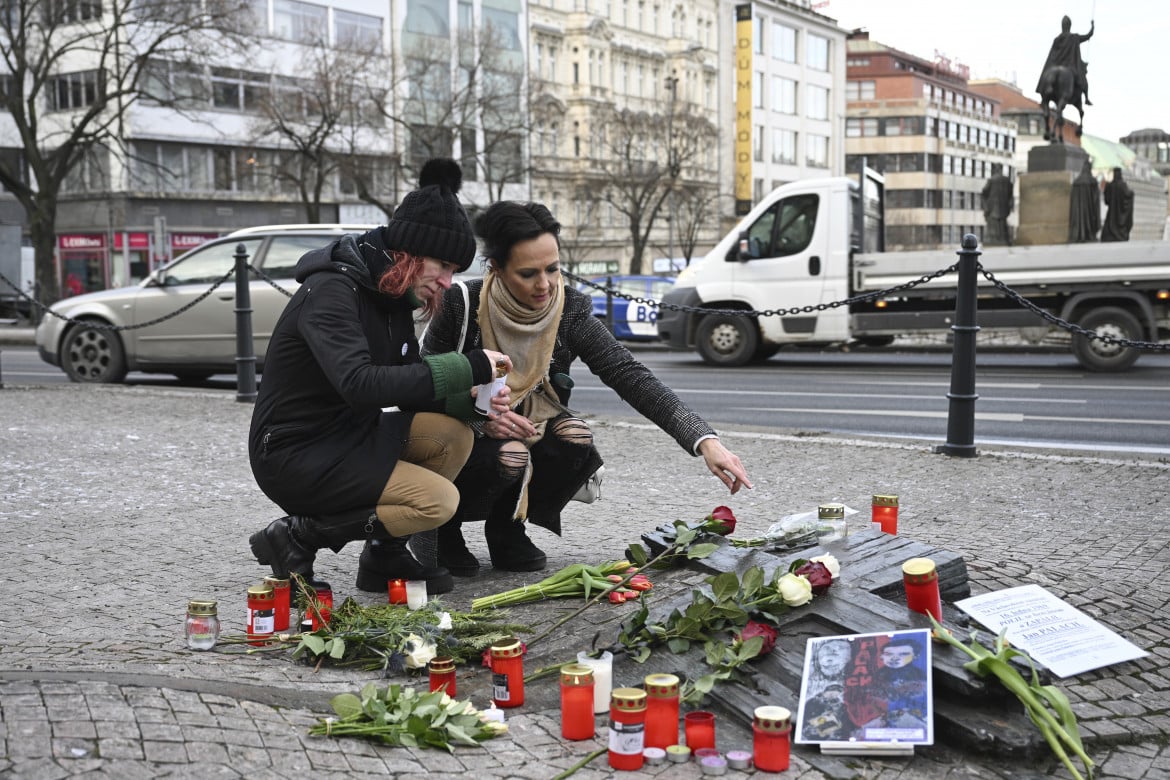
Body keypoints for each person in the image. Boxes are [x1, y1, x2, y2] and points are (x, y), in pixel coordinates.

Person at [356, 200, 752, 583]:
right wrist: (479, 415)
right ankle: (443, 532)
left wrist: (704, 441)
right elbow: (415, 387)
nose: (544, 284)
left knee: (574, 436)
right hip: (457, 433)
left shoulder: (570, 309)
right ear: (496, 268)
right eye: (528, 273)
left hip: (532, 425)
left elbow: (629, 374)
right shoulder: (462, 303)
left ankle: (507, 529)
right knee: (509, 453)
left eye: (553, 268)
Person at [247, 159, 513, 596]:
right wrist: (467, 365)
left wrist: (473, 400)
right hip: (295, 452)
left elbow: (404, 384)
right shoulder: (333, 291)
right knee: (439, 502)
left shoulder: (389, 294)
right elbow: (361, 383)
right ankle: (297, 536)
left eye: (454, 270)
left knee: (454, 435)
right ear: (408, 252)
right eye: (442, 265)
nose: (448, 282)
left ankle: (382, 554)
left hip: (349, 435)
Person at [1036, 15, 1094, 106]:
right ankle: (1086, 98)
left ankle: (1045, 90)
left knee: (1047, 73)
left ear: (1062, 25)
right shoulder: (1074, 37)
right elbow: (1088, 35)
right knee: (1083, 80)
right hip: (1070, 66)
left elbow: (1051, 56)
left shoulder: (1057, 39)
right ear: (1069, 25)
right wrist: (1092, 26)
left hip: (1055, 65)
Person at [1068, 158, 1101, 243]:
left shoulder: (1076, 182)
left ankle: (1078, 234)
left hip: (1078, 211)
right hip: (1089, 211)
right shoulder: (1092, 181)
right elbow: (1095, 200)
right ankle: (1088, 234)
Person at [980, 165, 1013, 246]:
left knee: (994, 223)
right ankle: (1003, 238)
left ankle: (994, 239)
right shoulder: (1007, 180)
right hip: (1004, 205)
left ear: (995, 169)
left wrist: (986, 204)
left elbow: (984, 191)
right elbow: (1010, 192)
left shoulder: (992, 179)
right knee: (1002, 222)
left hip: (993, 205)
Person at [1101, 167, 1135, 242]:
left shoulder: (1110, 186)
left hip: (1111, 216)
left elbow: (1106, 201)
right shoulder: (1123, 186)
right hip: (1120, 218)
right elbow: (1128, 195)